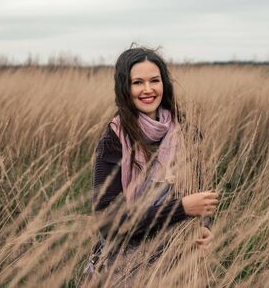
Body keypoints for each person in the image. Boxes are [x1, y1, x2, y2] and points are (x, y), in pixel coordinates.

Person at [86, 46, 218, 286]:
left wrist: (205, 228)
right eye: (138, 82)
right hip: (128, 264)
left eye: (154, 81)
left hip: (179, 259)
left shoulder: (186, 134)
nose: (148, 90)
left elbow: (200, 195)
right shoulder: (114, 141)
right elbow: (107, 221)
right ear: (125, 88)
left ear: (164, 85)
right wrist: (181, 209)